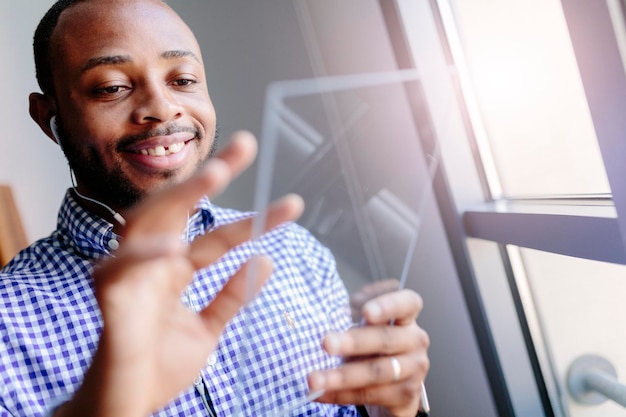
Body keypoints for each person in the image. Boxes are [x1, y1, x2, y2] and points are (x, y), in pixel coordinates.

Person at [0, 0, 430, 416]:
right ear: (47, 118)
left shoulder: (292, 249)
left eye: (183, 80)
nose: (163, 107)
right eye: (112, 87)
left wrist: (394, 408)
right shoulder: (7, 324)